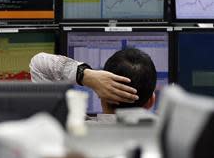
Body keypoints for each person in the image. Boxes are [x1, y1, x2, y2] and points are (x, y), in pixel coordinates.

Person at [29, 48, 157, 114]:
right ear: (151, 101)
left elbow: (38, 64)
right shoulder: (163, 143)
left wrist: (85, 75)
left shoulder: (71, 131)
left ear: (101, 95)